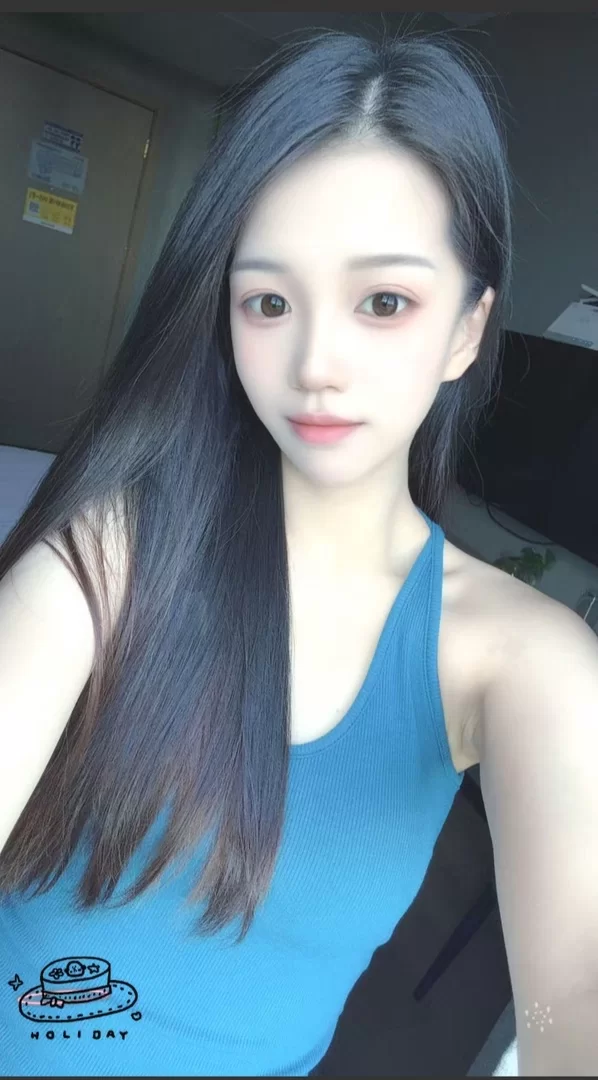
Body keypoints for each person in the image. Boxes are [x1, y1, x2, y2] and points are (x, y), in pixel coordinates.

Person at [1, 26, 598, 1079]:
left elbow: (575, 999)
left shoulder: (520, 659)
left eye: (384, 302)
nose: (316, 363)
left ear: (467, 331)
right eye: (269, 301)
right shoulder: (110, 555)